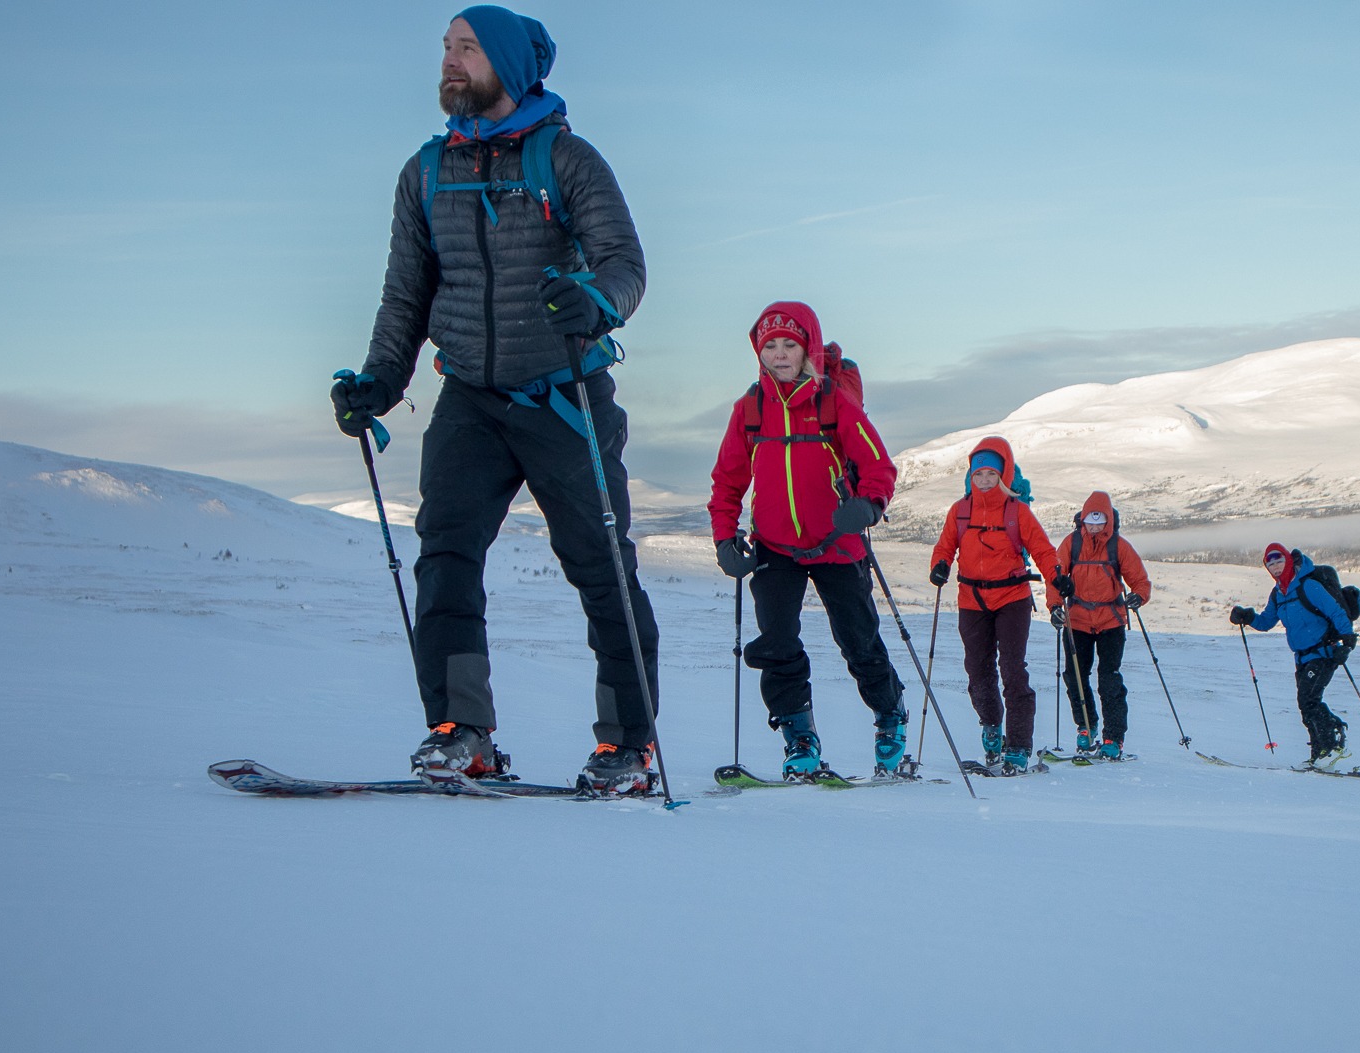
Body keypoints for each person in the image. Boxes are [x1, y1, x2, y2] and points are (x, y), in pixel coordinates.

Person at [331, 6, 659, 793]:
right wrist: (380, 380)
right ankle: (460, 732)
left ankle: (628, 744)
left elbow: (624, 261)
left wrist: (597, 302)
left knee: (599, 566)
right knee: (444, 556)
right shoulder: (425, 170)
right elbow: (405, 295)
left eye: (466, 49)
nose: (449, 61)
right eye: (446, 48)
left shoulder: (569, 160)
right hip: (468, 398)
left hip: (561, 396)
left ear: (506, 66)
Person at [707, 303, 907, 778]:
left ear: (807, 348)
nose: (779, 354)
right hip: (775, 547)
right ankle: (799, 735)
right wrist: (724, 540)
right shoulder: (749, 409)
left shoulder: (835, 403)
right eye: (769, 345)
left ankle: (889, 715)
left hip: (838, 544)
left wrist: (870, 504)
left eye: (789, 344)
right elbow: (727, 481)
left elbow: (878, 464)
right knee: (776, 643)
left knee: (858, 641)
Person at [928, 438, 1061, 772]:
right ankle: (991, 725)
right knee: (977, 671)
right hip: (971, 600)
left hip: (1012, 598)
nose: (985, 479)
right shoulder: (959, 511)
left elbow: (1044, 551)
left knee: (1013, 671)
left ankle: (1017, 745)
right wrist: (940, 564)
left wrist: (1056, 582)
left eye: (991, 473)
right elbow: (945, 546)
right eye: (979, 474)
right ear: (970, 477)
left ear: (1005, 473)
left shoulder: (1017, 511)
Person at [1043, 491, 1152, 759]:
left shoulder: (1118, 546)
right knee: (1075, 676)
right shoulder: (1072, 544)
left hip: (1110, 621)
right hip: (1078, 620)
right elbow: (1055, 577)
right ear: (1082, 520)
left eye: (1099, 522)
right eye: (1090, 522)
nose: (1094, 527)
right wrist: (1055, 607)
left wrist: (1139, 595)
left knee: (1109, 679)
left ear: (1108, 522)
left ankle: (1113, 737)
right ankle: (1087, 727)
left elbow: (1139, 578)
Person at [1229, 542, 1356, 767]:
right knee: (1307, 703)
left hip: (1324, 652)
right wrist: (1248, 618)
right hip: (1302, 657)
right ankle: (1323, 751)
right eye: (1270, 564)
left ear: (1288, 560)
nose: (1276, 567)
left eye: (1279, 561)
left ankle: (1330, 746)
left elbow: (1335, 611)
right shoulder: (1279, 594)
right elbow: (1267, 622)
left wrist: (1347, 641)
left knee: (1308, 701)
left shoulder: (1308, 586)